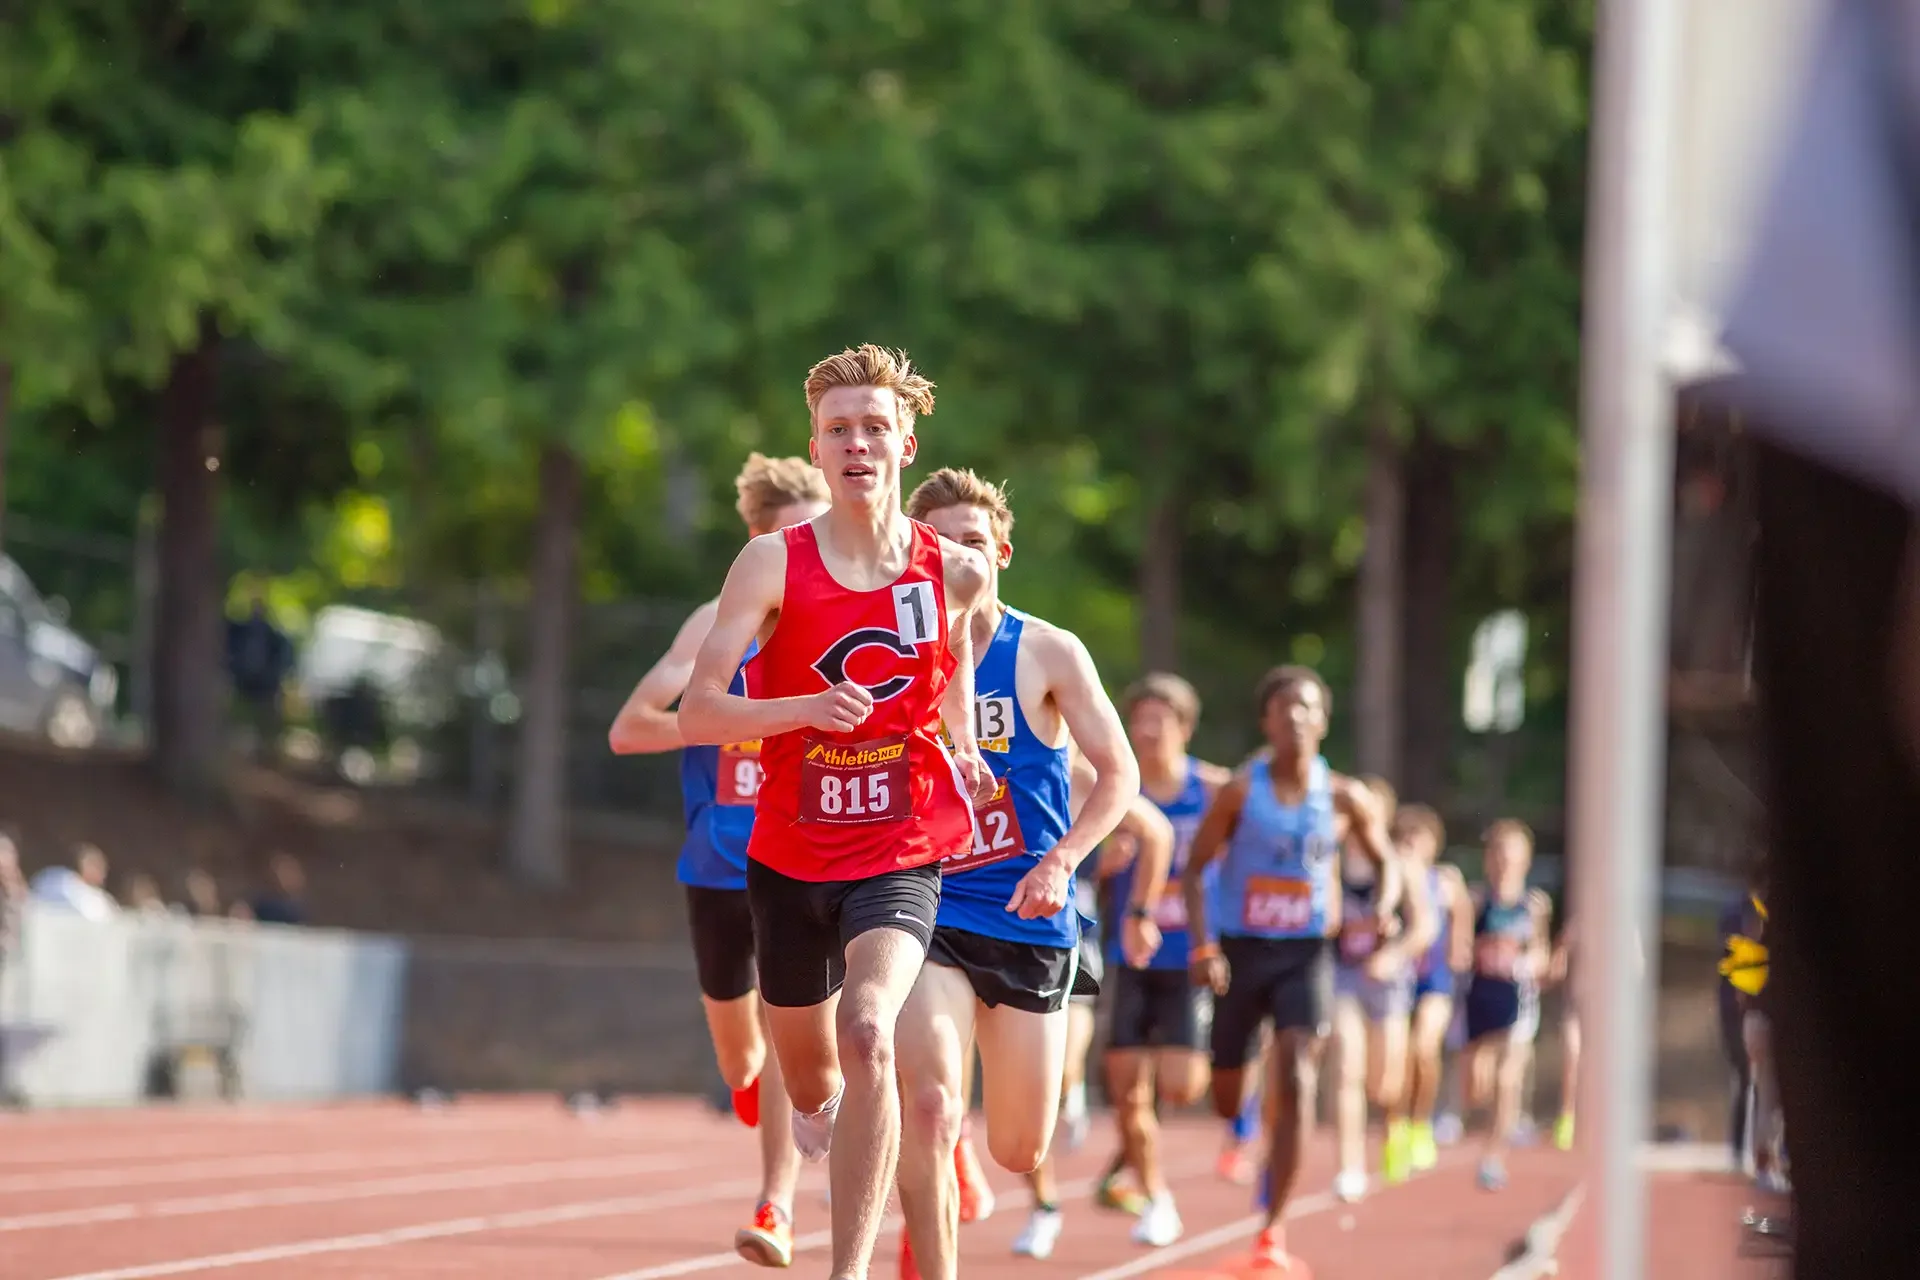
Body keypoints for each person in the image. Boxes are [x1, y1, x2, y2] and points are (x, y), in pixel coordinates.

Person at [679, 345, 995, 1280]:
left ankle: (846, 1271)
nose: (857, 442)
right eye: (837, 429)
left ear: (905, 439)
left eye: (872, 426)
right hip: (787, 855)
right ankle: (818, 1126)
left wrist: (967, 757)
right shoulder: (771, 564)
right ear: (816, 450)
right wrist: (801, 710)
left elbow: (950, 694)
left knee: (869, 1033)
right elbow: (700, 710)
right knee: (812, 1083)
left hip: (898, 847)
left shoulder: (956, 576)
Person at [888, 468, 1155, 1280]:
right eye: (941, 545)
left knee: (1020, 1146)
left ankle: (966, 1147)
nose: (959, 558)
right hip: (928, 901)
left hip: (1028, 916)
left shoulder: (1045, 651)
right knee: (929, 1108)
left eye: (973, 543)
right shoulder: (892, 651)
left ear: (999, 552)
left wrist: (1064, 858)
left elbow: (1120, 776)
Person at [608, 451, 829, 1266]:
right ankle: (752, 1091)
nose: (799, 557)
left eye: (814, 538)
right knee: (742, 1056)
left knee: (783, 1032)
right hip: (714, 864)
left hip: (800, 859)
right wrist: (731, 721)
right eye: (784, 541)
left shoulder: (840, 617)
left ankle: (775, 1206)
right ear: (756, 544)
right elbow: (630, 728)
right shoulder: (714, 622)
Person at [1183, 665, 1399, 1274]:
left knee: (1300, 1075)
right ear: (1267, 723)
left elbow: (1388, 865)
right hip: (1241, 951)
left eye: (1307, 708)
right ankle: (1243, 1116)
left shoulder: (1344, 796)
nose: (1296, 718)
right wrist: (1204, 948)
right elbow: (1196, 870)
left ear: (1323, 721)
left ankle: (1272, 1227)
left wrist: (1383, 910)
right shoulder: (1238, 791)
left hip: (1307, 951)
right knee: (1224, 1094)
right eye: (1283, 709)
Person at [1011, 783, 1174, 1261]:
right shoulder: (978, 745)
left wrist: (1136, 905)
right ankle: (1044, 1207)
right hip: (996, 935)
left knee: (1062, 1064)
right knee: (1021, 1092)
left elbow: (1154, 832)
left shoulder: (1080, 767)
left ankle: (1072, 1091)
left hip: (1072, 945)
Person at [1098, 672, 1231, 1248]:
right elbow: (1079, 861)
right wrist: (1106, 859)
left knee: (1180, 1087)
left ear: (1185, 726)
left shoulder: (1216, 789)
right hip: (1131, 956)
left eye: (1160, 720)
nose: (1147, 731)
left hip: (1189, 958)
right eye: (1139, 720)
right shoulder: (1115, 786)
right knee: (1129, 1091)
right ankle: (1155, 1196)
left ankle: (1129, 1150)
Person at [1328, 778, 1435, 1200]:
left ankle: (1396, 1124)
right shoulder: (1332, 859)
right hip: (1343, 975)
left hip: (1389, 982)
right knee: (1346, 1069)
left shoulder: (1400, 864)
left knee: (1383, 1083)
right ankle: (1349, 1166)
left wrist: (1394, 954)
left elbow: (1424, 926)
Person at [1459, 820, 1552, 1191]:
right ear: (1488, 859)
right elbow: (1461, 945)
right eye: (1498, 855)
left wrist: (1532, 963)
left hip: (1517, 1000)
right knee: (1476, 1087)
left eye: (1512, 857)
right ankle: (1484, 1134)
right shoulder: (1476, 900)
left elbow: (1541, 951)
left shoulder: (1534, 906)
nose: (1504, 864)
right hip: (1479, 996)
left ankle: (1493, 1156)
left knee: (1507, 1078)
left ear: (1525, 862)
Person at [1396, 803, 1473, 1173]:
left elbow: (1462, 910)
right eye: (1406, 837)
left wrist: (1461, 944)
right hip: (1399, 979)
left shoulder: (1445, 879)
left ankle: (1420, 1122)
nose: (1412, 844)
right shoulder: (1393, 875)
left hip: (1436, 979)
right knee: (1399, 1057)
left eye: (1420, 838)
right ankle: (1398, 1122)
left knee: (1424, 1048)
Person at [1546, 913, 1579, 1152]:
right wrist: (1563, 948)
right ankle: (1566, 1118)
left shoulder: (1622, 927)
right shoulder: (1576, 925)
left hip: (1606, 1013)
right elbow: (1553, 972)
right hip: (1575, 1007)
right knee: (1572, 1057)